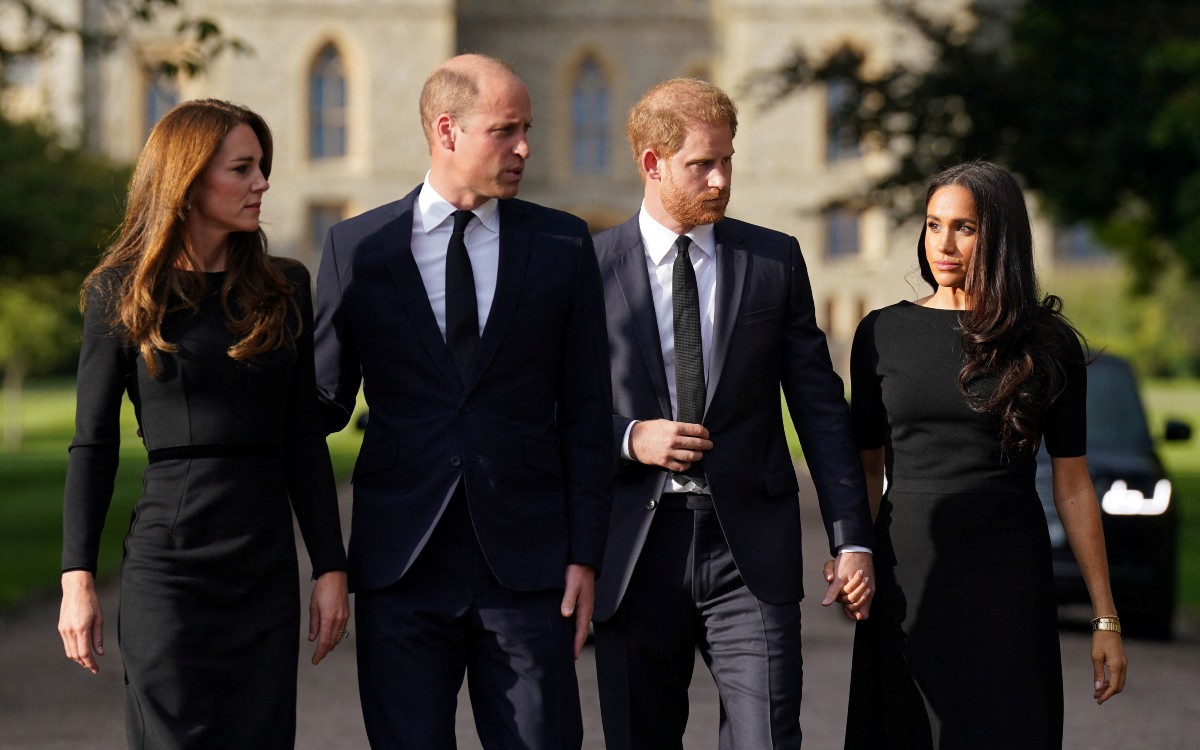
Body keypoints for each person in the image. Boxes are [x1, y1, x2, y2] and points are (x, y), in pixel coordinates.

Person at [312, 54, 611, 749]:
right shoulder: (358, 249)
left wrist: (586, 556)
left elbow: (588, 415)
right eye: (506, 130)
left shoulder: (564, 244)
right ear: (447, 131)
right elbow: (321, 405)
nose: (525, 148)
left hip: (530, 570)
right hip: (400, 567)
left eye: (527, 129)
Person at [590, 77, 876, 750]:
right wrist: (631, 438)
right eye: (700, 165)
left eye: (727, 161)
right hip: (635, 551)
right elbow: (548, 411)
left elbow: (819, 408)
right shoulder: (587, 268)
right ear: (652, 164)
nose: (719, 180)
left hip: (748, 553)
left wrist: (850, 536)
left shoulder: (772, 260)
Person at [57, 99, 350, 749]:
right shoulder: (123, 292)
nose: (262, 184)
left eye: (262, 167)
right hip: (171, 567)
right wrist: (77, 576)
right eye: (242, 169)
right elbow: (93, 445)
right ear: (187, 182)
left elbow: (304, 437)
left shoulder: (284, 287)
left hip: (264, 565)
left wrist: (331, 566)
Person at [841, 160, 1127, 748]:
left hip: (1009, 581)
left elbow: (1073, 484)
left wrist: (1105, 618)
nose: (943, 243)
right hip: (907, 576)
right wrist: (854, 553)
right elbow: (867, 466)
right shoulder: (880, 333)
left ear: (999, 237)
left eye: (964, 228)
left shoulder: (1048, 344)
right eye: (933, 224)